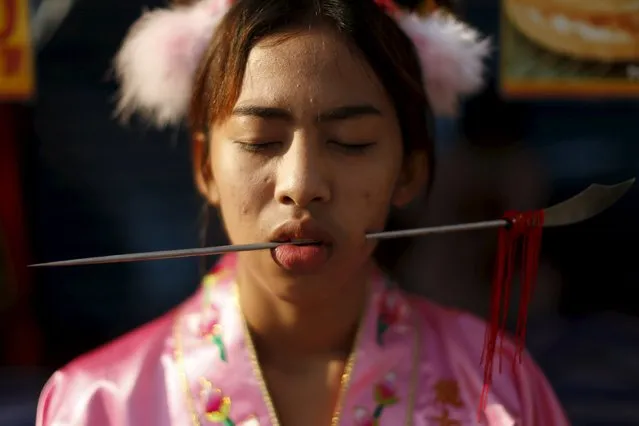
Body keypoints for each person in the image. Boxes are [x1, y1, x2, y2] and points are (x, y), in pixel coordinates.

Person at [36, 0, 569, 424]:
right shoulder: (99, 405)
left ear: (407, 169)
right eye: (260, 140)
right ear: (204, 166)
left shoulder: (496, 390)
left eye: (352, 142)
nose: (301, 185)